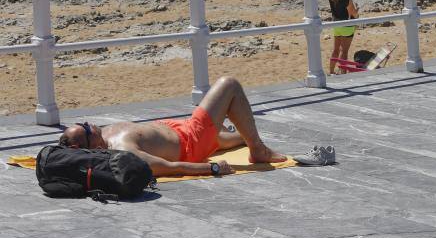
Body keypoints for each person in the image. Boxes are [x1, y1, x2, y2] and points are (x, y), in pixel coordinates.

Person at [58, 77, 287, 177]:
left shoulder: (102, 136)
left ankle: (242, 136)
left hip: (176, 128)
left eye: (82, 123)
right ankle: (258, 150)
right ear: (94, 148)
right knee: (229, 85)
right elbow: (168, 167)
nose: (88, 124)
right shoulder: (123, 151)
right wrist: (213, 169)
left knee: (237, 136)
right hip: (191, 140)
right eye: (86, 129)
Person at [328, 0, 359, 74]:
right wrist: (357, 14)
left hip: (336, 25)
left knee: (335, 50)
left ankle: (331, 72)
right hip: (347, 25)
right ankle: (343, 74)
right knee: (344, 51)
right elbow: (352, 12)